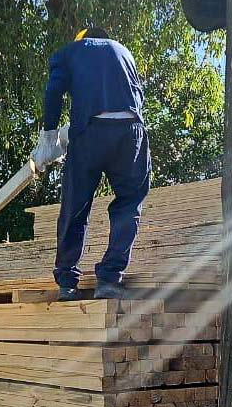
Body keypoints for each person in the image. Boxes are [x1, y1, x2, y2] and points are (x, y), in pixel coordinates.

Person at [32, 26, 152, 302]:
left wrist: (50, 136)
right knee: (129, 203)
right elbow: (135, 98)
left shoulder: (70, 52)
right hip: (130, 132)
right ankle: (109, 279)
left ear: (81, 40)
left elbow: (54, 91)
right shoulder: (124, 52)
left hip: (89, 134)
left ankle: (67, 283)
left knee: (75, 206)